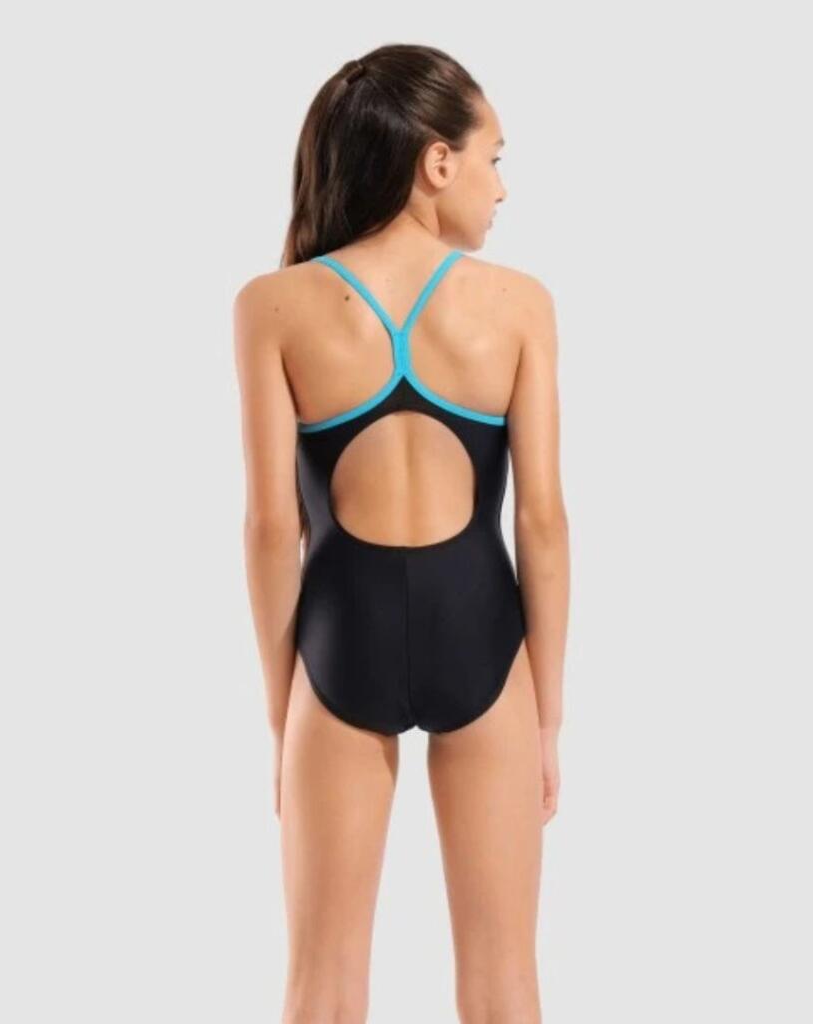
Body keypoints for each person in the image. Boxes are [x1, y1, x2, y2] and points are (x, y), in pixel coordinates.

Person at [234, 43, 570, 1024]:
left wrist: (283, 707)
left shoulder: (272, 306)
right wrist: (546, 716)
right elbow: (542, 523)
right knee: (505, 981)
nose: (500, 187)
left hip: (341, 644)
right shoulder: (518, 305)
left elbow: (271, 528)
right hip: (485, 641)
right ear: (437, 161)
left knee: (321, 985)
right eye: (494, 159)